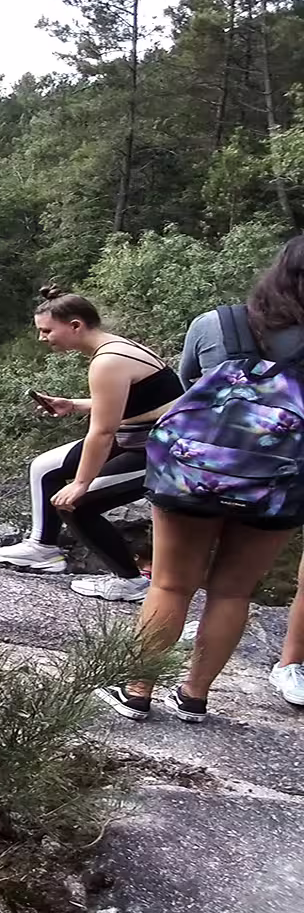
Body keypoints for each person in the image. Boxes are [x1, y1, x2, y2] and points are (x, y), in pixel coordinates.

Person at [102, 238, 304, 721]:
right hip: (278, 485)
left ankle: (137, 691)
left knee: (171, 586)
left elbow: (189, 390)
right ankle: (194, 697)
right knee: (233, 591)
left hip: (193, 474)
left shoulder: (220, 324)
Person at [0, 286, 184, 600]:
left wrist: (80, 483)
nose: (42, 338)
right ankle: (43, 548)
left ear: (75, 325)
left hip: (164, 451)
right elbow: (134, 403)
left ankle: (130, 581)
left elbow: (102, 433)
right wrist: (74, 404)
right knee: (44, 467)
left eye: (46, 330)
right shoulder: (115, 348)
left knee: (76, 504)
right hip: (137, 436)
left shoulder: (108, 362)